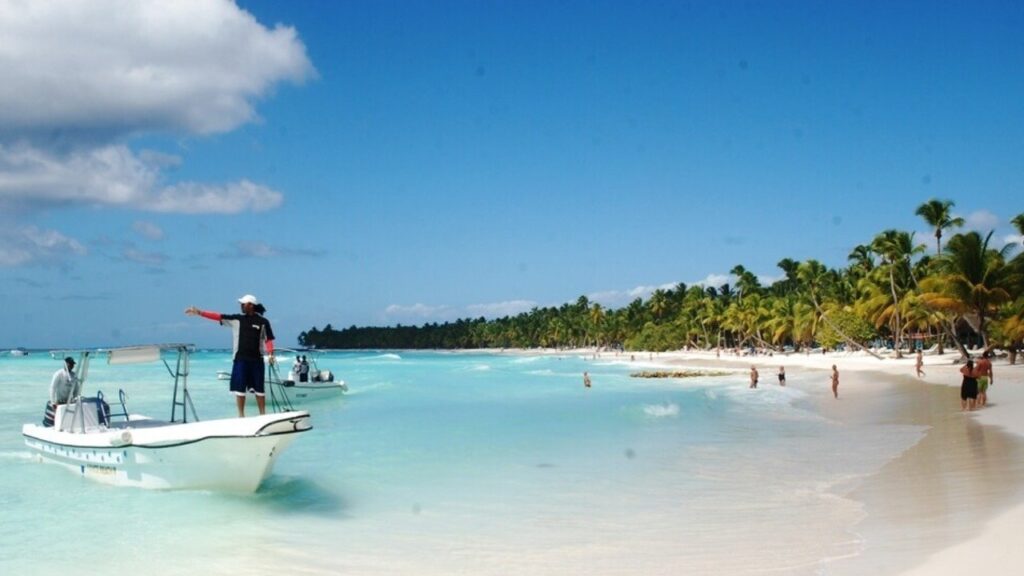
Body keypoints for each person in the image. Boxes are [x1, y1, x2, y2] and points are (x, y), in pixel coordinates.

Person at [185, 294, 275, 417]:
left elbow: (268, 339)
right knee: (240, 390)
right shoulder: (236, 319)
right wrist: (199, 312)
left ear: (251, 305)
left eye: (243, 304)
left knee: (260, 390)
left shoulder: (263, 322)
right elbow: (218, 316)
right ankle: (241, 416)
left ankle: (263, 415)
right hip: (240, 359)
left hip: (257, 360)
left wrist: (271, 354)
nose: (241, 306)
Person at [44, 356, 79, 427]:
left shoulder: (74, 375)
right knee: (59, 423)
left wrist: (75, 399)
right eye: (70, 364)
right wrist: (53, 402)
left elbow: (76, 390)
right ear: (65, 364)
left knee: (68, 423)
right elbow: (52, 388)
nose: (72, 366)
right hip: (59, 402)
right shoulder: (59, 374)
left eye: (73, 364)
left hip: (70, 402)